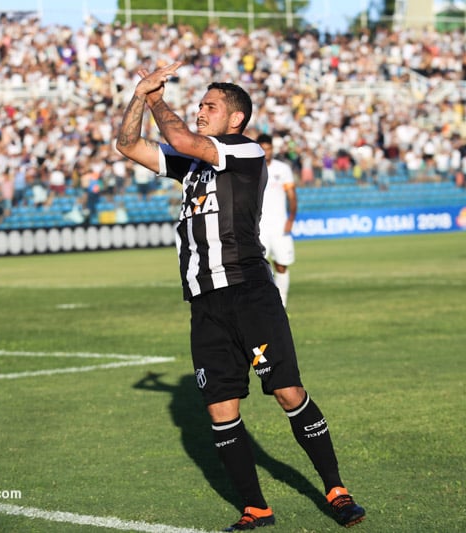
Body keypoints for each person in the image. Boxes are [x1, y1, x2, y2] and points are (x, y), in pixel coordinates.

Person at [115, 63, 365, 531]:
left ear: (235, 119)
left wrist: (155, 100)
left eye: (209, 106)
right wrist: (137, 95)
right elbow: (128, 145)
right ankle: (256, 508)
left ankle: (336, 489)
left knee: (288, 392)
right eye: (200, 104)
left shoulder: (245, 152)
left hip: (248, 290)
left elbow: (187, 139)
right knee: (220, 408)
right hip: (204, 302)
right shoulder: (191, 165)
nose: (200, 110)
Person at [256, 134, 297, 309]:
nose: (266, 152)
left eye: (268, 148)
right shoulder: (252, 168)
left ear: (273, 149)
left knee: (281, 265)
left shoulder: (283, 169)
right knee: (259, 269)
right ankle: (264, 305)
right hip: (258, 227)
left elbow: (292, 196)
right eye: (262, 148)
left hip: (280, 226)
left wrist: (291, 218)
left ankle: (282, 305)